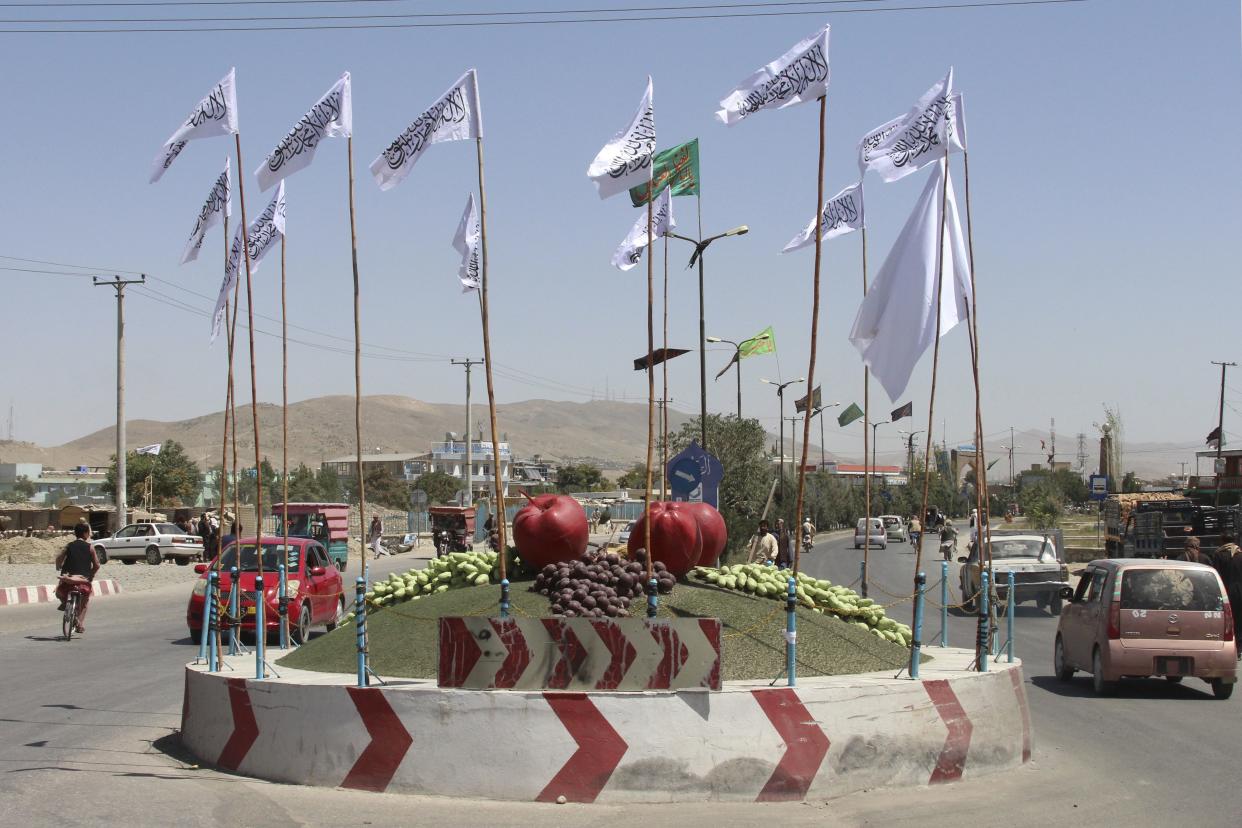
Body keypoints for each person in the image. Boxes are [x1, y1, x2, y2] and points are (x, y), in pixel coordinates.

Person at [55, 524, 99, 634]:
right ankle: (80, 624)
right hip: (82, 581)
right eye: (88, 532)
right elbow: (97, 565)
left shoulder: (69, 545)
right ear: (85, 533)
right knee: (84, 603)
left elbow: (59, 557)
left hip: (67, 579)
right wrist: (91, 575)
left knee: (58, 593)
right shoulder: (90, 547)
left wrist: (58, 566)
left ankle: (65, 602)